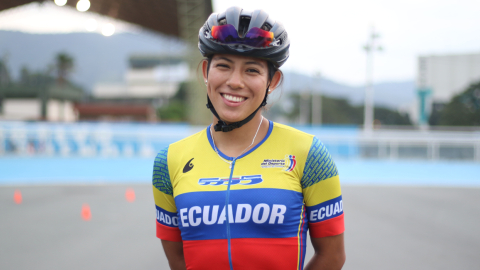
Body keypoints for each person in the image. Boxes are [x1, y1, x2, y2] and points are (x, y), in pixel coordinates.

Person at [152, 6, 345, 270]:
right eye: (223, 66)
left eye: (252, 70)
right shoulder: (169, 160)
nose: (235, 82)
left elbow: (332, 257)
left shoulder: (309, 153)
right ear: (206, 71)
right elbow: (177, 260)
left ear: (272, 81)